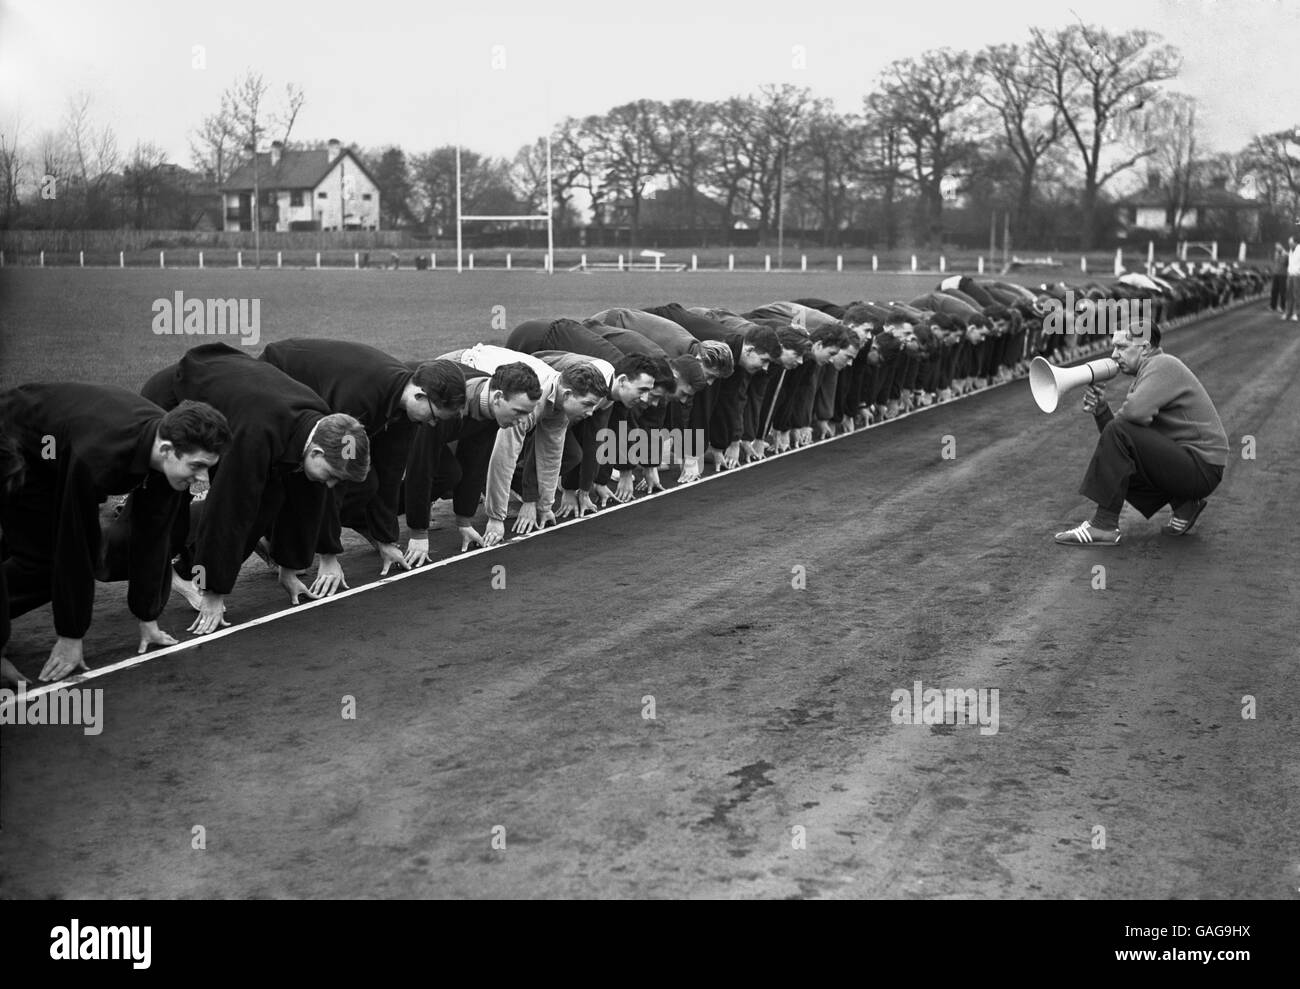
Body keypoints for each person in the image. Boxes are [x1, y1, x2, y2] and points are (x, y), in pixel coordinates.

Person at [0, 384, 230, 678]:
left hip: (58, 445)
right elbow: (76, 543)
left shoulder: (169, 445)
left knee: (41, 552)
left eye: (208, 467)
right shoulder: (98, 458)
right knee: (47, 561)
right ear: (166, 451)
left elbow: (153, 536)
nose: (202, 478)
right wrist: (71, 637)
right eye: (197, 466)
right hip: (18, 442)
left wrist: (148, 617)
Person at [141, 342, 370, 634]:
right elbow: (228, 511)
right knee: (183, 504)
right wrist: (212, 592)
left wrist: (289, 566)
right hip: (172, 402)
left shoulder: (321, 424)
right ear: (316, 454)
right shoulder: (256, 435)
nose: (332, 484)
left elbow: (308, 497)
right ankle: (149, 560)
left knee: (269, 498)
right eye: (332, 475)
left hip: (237, 403)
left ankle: (188, 564)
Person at [259, 339, 466, 573]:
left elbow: (391, 470)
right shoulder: (359, 400)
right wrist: (329, 555)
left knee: (366, 483)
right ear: (420, 395)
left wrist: (386, 539)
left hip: (317, 390)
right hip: (275, 376)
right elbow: (334, 473)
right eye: (434, 416)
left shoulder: (405, 409)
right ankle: (269, 536)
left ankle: (283, 538)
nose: (432, 423)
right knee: (314, 476)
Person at [1054, 322, 1228, 546]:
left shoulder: (1162, 364)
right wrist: (1101, 410)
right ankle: (1183, 504)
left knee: (1120, 432)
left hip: (1202, 468)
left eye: (1122, 347)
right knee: (1121, 444)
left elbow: (1127, 423)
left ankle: (1103, 525)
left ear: (1144, 348)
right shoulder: (1150, 371)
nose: (1114, 355)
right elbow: (1124, 442)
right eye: (1114, 348)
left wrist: (1113, 420)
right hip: (1197, 467)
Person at [1286, 237, 1300, 322]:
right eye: (1289, 242)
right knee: (1289, 294)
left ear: (1295, 242)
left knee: (1296, 294)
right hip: (1290, 274)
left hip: (1297, 275)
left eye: (1291, 242)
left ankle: (1296, 313)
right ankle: (1289, 312)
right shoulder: (1291, 250)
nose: (1289, 244)